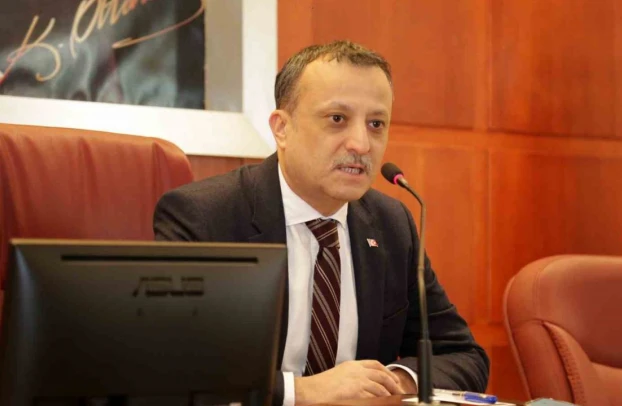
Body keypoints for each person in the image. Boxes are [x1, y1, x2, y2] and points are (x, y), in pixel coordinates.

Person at [153, 40, 489, 406]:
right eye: (337, 119)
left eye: (376, 124)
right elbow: (171, 366)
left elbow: (462, 355)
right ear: (282, 128)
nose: (361, 144)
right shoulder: (205, 216)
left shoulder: (392, 225)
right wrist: (301, 392)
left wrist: (391, 380)